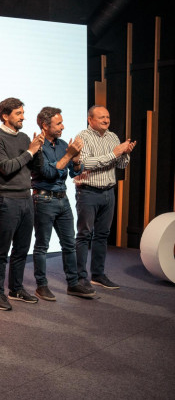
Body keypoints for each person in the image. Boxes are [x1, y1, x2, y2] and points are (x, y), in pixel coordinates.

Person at [31, 107, 96, 300]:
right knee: (42, 246)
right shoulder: (37, 146)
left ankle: (73, 284)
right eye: (58, 123)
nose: (63, 127)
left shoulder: (61, 145)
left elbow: (75, 173)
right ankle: (41, 285)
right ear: (45, 125)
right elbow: (49, 173)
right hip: (43, 199)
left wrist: (76, 160)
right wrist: (69, 155)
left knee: (69, 244)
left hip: (63, 198)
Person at [0, 97, 44, 311]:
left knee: (22, 248)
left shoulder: (23, 138)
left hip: (26, 198)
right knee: (2, 249)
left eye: (23, 113)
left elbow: (35, 168)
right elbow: (7, 168)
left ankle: (16, 288)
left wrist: (38, 149)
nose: (23, 117)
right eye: (19, 113)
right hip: (6, 199)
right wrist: (30, 151)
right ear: (5, 115)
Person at [74, 105, 135, 289]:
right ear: (90, 120)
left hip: (109, 192)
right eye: (101, 117)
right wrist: (114, 153)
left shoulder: (113, 136)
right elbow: (85, 164)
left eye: (107, 117)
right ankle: (80, 277)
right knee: (84, 235)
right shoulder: (82, 137)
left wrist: (126, 154)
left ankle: (98, 275)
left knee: (102, 235)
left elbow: (121, 165)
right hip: (88, 192)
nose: (106, 120)